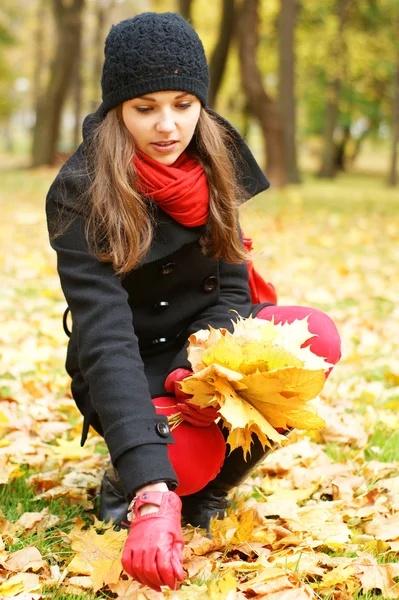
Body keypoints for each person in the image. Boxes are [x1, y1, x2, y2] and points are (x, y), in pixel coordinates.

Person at [45, 12, 341, 592]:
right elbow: (104, 335)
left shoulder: (215, 159)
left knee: (313, 341)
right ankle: (135, 483)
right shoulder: (83, 189)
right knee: (175, 466)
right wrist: (153, 494)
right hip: (128, 362)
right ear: (116, 111)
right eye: (145, 106)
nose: (167, 125)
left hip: (200, 347)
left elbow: (232, 288)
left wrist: (202, 363)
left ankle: (210, 492)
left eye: (183, 103)